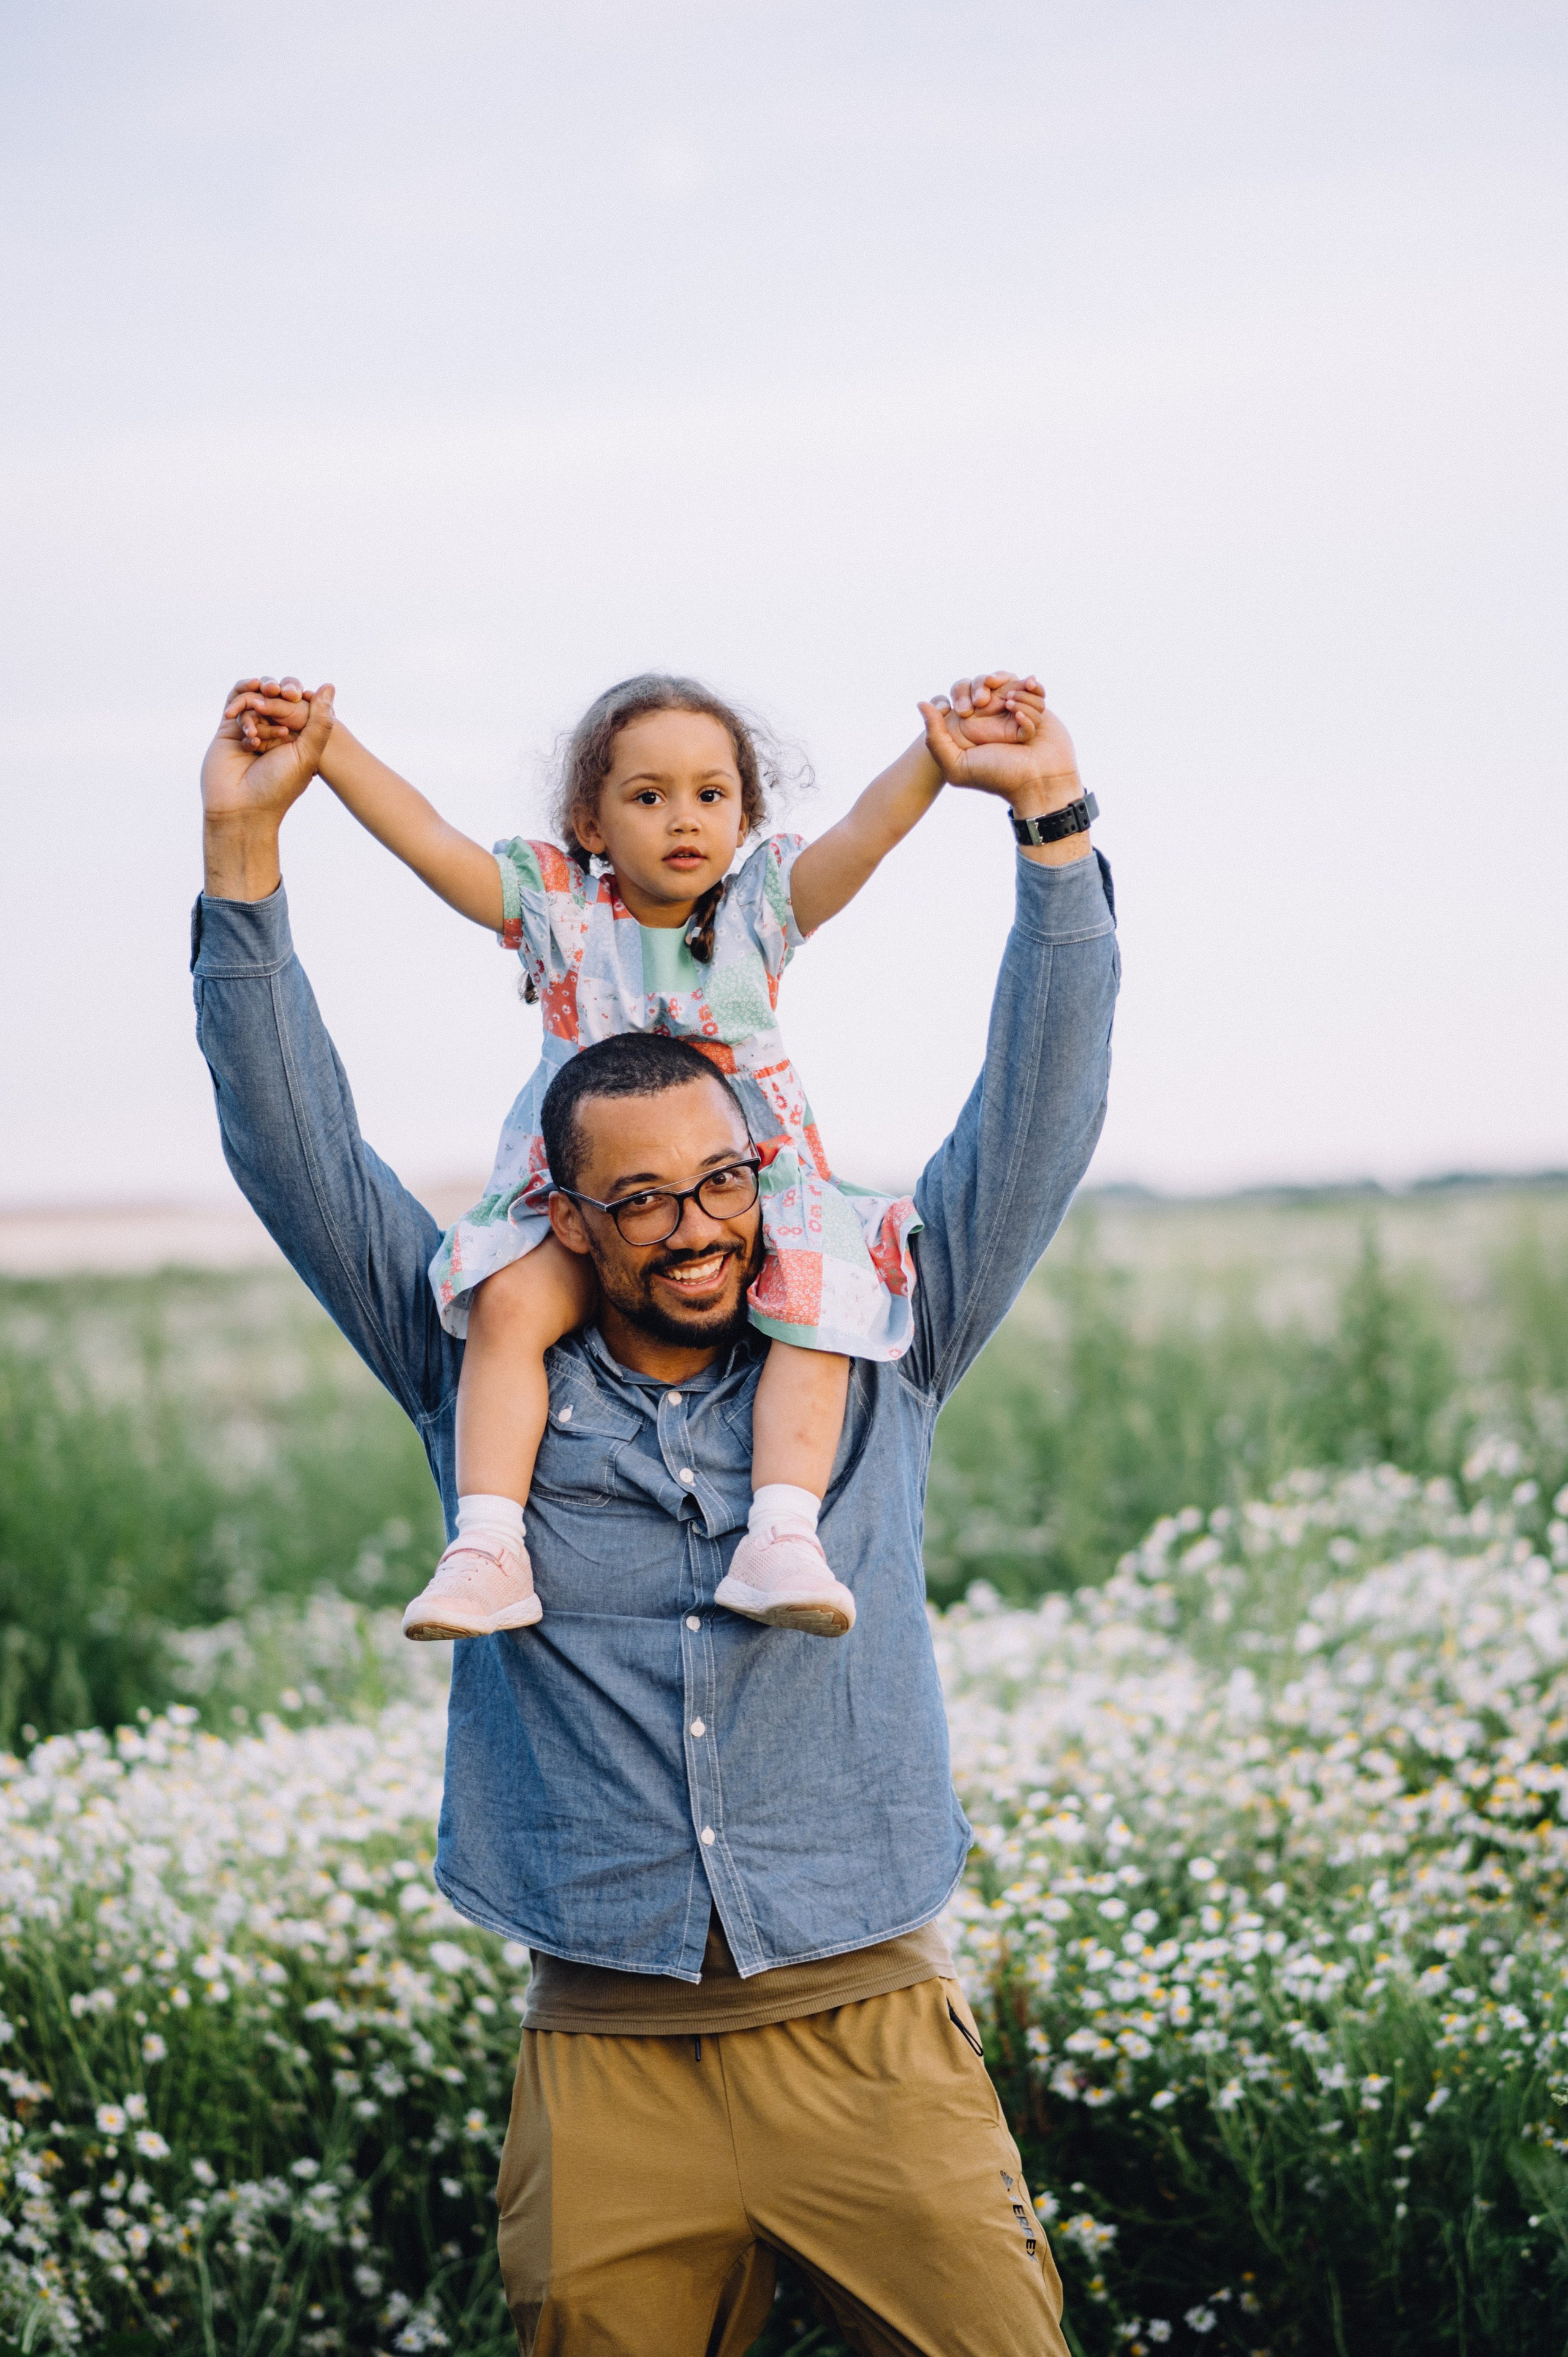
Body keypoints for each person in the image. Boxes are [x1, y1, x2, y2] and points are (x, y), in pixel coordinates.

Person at [194, 666, 1119, 2356]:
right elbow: (291, 1146)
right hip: (601, 2067)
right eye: (637, 1200)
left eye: (720, 1185)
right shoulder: (470, 1360)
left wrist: (1052, 835)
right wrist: (243, 854)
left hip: (875, 2039)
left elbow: (1038, 1125)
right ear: (568, 1216)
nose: (691, 1227)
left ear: (769, 1174)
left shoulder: (883, 1342)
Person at [223, 668, 1047, 1648]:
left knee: (819, 1304)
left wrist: (936, 757)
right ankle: (488, 1545)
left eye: (711, 795)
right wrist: (328, 749)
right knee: (509, 1304)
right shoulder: (560, 913)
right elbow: (432, 842)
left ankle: (782, 1534)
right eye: (647, 797)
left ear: (745, 817)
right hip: (594, 1202)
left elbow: (865, 834)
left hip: (755, 1191)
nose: (682, 819)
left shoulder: (760, 914)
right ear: (593, 820)